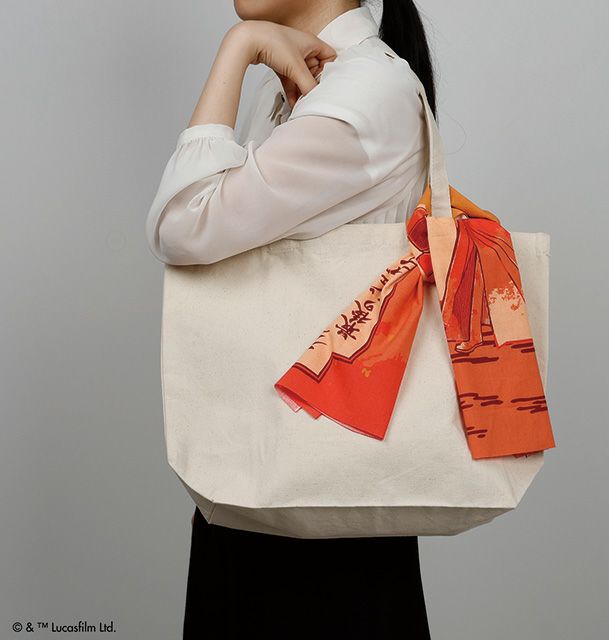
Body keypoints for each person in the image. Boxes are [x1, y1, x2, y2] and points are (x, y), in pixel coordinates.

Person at [146, 1, 437, 637]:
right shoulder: (303, 85)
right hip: (269, 483)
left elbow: (182, 227)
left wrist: (237, 46)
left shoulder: (365, 91)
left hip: (320, 512)